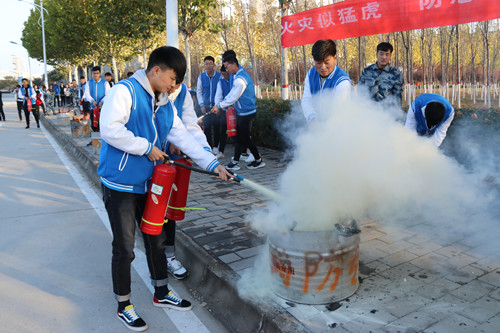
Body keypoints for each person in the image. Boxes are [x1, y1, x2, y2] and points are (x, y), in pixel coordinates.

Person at [98, 46, 231, 331]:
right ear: (156, 70)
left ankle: (161, 292)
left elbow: (183, 136)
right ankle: (124, 304)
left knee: (156, 239)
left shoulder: (164, 102)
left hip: (149, 184)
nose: (174, 86)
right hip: (120, 185)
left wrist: (212, 164)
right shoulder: (124, 92)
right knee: (124, 248)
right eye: (172, 79)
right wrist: (147, 147)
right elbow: (109, 129)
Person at [161, 79, 213, 280]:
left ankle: (169, 256)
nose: (172, 86)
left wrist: (207, 155)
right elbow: (153, 126)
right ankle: (156, 257)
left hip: (175, 161)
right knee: (154, 211)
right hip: (151, 159)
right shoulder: (152, 91)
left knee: (171, 209)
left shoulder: (182, 93)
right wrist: (168, 143)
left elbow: (190, 126)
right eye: (171, 80)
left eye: (177, 82)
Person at [211, 54, 265, 170]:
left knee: (244, 138)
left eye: (227, 67)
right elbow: (231, 95)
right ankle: (235, 162)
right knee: (241, 137)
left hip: (247, 112)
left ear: (234, 64)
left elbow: (234, 96)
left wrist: (219, 105)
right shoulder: (236, 75)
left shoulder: (240, 79)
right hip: (242, 111)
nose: (226, 70)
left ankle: (258, 160)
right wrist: (220, 104)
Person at [301, 39, 351, 123]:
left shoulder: (342, 81)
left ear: (335, 58)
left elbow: (338, 112)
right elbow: (307, 100)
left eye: (326, 62)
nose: (323, 67)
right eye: (319, 63)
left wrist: (323, 130)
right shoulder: (311, 74)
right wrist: (312, 118)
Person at [358, 42, 404, 106]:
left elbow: (397, 99)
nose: (384, 57)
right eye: (381, 54)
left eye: (387, 54)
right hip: (367, 110)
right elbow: (360, 92)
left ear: (390, 56)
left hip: (386, 113)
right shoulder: (367, 71)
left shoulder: (396, 74)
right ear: (376, 54)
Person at [196, 56, 221, 153]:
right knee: (206, 127)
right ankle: (209, 146)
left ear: (214, 64)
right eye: (207, 64)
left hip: (216, 106)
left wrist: (219, 105)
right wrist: (201, 104)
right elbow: (199, 91)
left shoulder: (219, 76)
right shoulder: (201, 77)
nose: (209, 66)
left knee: (217, 126)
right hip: (205, 106)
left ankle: (216, 147)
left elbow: (221, 91)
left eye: (211, 63)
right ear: (204, 65)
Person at [213, 65, 232, 159]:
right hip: (225, 110)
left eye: (226, 74)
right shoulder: (221, 82)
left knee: (239, 131)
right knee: (223, 131)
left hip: (236, 110)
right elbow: (218, 96)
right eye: (223, 74)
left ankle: (244, 152)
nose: (224, 76)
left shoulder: (235, 80)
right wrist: (217, 106)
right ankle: (221, 151)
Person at [84, 66, 110, 131]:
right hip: (93, 107)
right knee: (93, 124)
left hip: (103, 108)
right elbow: (87, 94)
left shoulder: (105, 83)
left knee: (102, 124)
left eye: (97, 73)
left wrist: (102, 101)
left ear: (100, 74)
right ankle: (95, 138)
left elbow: (108, 94)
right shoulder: (88, 83)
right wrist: (92, 101)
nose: (95, 75)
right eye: (94, 73)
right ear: (92, 74)